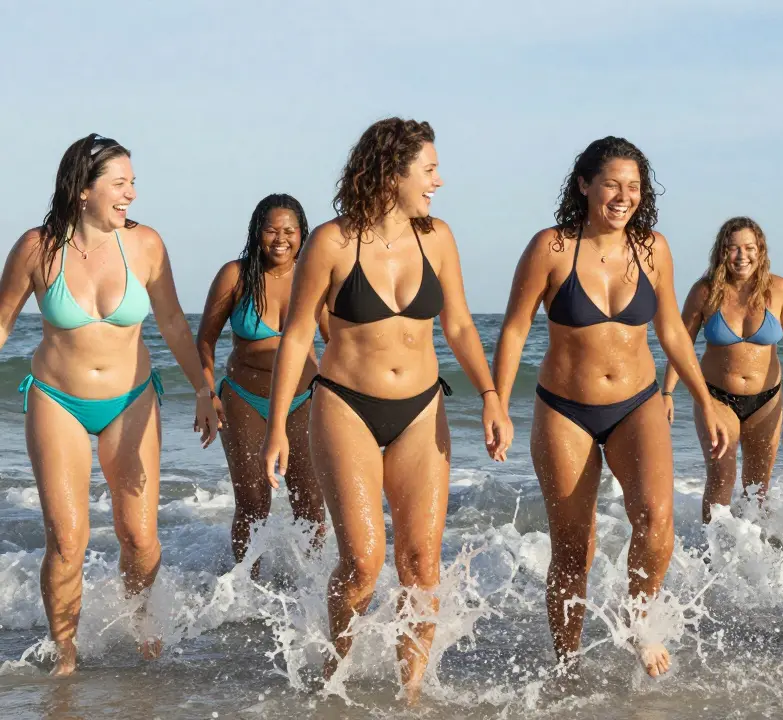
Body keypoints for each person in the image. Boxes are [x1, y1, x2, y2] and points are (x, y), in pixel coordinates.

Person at [260, 118, 511, 702]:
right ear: (391, 172)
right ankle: (335, 676)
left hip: (422, 409)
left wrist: (492, 395)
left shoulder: (438, 237)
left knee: (422, 563)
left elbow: (459, 323)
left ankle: (411, 697)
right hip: (346, 405)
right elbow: (297, 338)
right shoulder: (331, 241)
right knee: (364, 565)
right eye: (428, 169)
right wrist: (277, 426)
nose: (438, 181)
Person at [491, 136, 729, 678]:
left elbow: (670, 329)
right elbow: (513, 328)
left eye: (633, 187)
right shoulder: (551, 247)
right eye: (611, 185)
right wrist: (497, 403)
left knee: (656, 516)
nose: (623, 196)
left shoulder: (652, 249)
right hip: (564, 408)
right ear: (584, 185)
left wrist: (703, 398)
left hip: (637, 402)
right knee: (574, 546)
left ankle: (639, 621)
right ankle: (568, 665)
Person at [0, 133, 220, 675]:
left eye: (133, 184)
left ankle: (139, 618)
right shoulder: (37, 247)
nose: (131, 195)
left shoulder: (145, 245)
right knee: (67, 537)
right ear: (82, 189)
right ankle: (66, 652)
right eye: (119, 184)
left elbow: (171, 321)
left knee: (140, 537)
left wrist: (202, 388)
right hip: (57, 399)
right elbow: (2, 323)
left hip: (131, 398)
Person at [197, 194, 328, 576]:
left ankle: (312, 587)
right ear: (257, 233)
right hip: (244, 399)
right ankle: (244, 593)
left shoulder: (314, 276)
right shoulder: (235, 276)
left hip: (305, 398)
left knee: (311, 503)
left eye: (289, 230)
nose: (280, 238)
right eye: (271, 230)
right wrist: (207, 393)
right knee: (254, 503)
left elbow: (336, 340)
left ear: (302, 234)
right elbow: (204, 340)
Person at [660, 216, 783, 523]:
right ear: (721, 252)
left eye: (748, 248)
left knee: (756, 490)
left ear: (760, 250)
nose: (741, 256)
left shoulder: (780, 290)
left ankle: (750, 561)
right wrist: (667, 392)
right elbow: (680, 345)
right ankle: (709, 558)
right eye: (733, 248)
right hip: (717, 398)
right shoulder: (705, 292)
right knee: (722, 478)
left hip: (767, 400)